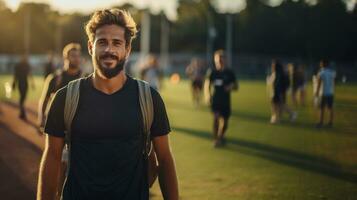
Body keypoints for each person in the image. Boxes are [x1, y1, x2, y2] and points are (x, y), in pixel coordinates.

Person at [37, 9, 179, 200]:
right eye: (102, 42)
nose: (109, 50)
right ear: (90, 47)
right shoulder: (66, 97)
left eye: (117, 43)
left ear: (127, 49)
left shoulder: (148, 98)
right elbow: (53, 157)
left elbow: (164, 159)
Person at [38, 43, 82, 129]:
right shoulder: (55, 78)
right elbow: (45, 99)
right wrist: (41, 118)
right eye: (73, 56)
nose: (76, 59)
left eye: (78, 56)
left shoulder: (85, 77)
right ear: (65, 57)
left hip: (78, 123)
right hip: (57, 121)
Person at [206, 50, 238, 147]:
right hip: (216, 100)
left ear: (225, 60)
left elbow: (236, 86)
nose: (219, 60)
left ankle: (221, 136)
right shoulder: (212, 72)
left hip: (226, 101)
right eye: (217, 59)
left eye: (221, 58)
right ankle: (216, 139)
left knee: (225, 122)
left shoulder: (230, 72)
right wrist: (208, 95)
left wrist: (231, 86)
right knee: (215, 118)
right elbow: (207, 84)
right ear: (215, 60)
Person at [269, 60, 296, 124]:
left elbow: (277, 84)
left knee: (278, 105)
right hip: (278, 92)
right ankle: (277, 118)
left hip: (278, 92)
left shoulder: (278, 74)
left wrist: (278, 93)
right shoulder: (278, 73)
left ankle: (278, 118)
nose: (272, 66)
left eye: (273, 65)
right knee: (278, 105)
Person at [12, 54, 34, 120]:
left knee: (23, 97)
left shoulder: (25, 65)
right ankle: (22, 111)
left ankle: (22, 111)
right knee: (22, 97)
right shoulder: (20, 65)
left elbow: (29, 74)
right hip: (22, 83)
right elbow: (15, 75)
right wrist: (14, 83)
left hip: (23, 82)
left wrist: (14, 83)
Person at [315, 59, 336, 127]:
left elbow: (319, 83)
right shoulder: (332, 72)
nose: (320, 64)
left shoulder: (321, 73)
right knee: (330, 108)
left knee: (322, 108)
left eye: (321, 63)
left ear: (323, 64)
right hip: (330, 92)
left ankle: (321, 122)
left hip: (323, 93)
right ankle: (330, 122)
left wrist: (317, 92)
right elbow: (333, 82)